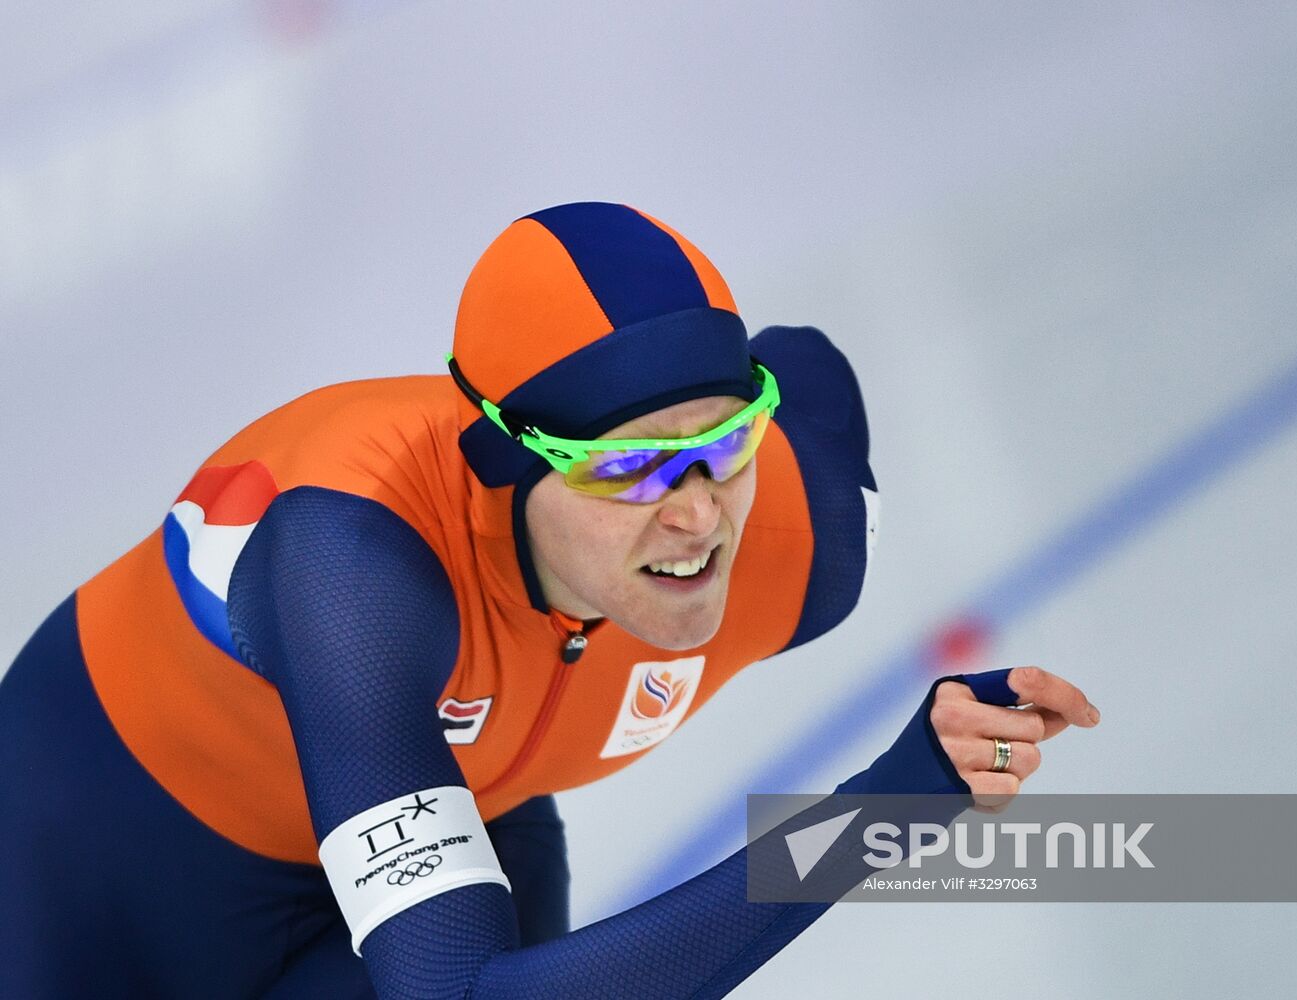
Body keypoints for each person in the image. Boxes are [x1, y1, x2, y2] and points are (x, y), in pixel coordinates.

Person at [0, 201, 1099, 998]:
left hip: (462, 817)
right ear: (503, 462)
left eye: (723, 440)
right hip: (97, 866)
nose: (696, 516)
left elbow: (806, 368)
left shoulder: (798, 549)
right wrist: (880, 814)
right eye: (626, 470)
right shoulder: (352, 566)